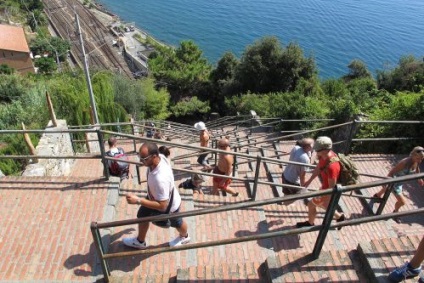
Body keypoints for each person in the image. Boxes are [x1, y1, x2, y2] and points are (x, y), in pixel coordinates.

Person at [122, 142, 190, 249]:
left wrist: (138, 200)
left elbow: (163, 205)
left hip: (170, 206)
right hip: (155, 196)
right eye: (140, 157)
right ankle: (140, 241)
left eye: (144, 158)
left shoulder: (160, 179)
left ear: (154, 156)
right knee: (142, 216)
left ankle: (184, 236)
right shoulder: (160, 157)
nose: (141, 160)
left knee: (177, 222)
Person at [296, 136, 345, 228]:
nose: (315, 151)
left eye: (317, 150)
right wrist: (309, 181)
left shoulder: (332, 167)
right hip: (324, 189)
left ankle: (310, 223)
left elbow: (331, 188)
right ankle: (340, 217)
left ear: (325, 150)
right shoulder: (324, 156)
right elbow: (320, 167)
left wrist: (325, 198)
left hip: (326, 191)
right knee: (323, 206)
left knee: (311, 205)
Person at [374, 146, 424, 223]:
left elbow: (417, 169)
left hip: (400, 182)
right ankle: (395, 212)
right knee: (402, 202)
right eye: (418, 159)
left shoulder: (416, 161)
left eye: (421, 159)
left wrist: (419, 178)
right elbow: (392, 171)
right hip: (394, 182)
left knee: (386, 189)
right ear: (413, 155)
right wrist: (386, 181)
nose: (420, 161)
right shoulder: (404, 163)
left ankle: (377, 195)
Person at [281, 138, 314, 205]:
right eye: (313, 144)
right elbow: (302, 175)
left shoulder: (296, 148)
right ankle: (285, 205)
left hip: (285, 175)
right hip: (293, 181)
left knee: (286, 193)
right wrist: (303, 187)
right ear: (309, 146)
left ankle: (285, 204)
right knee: (297, 195)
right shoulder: (305, 159)